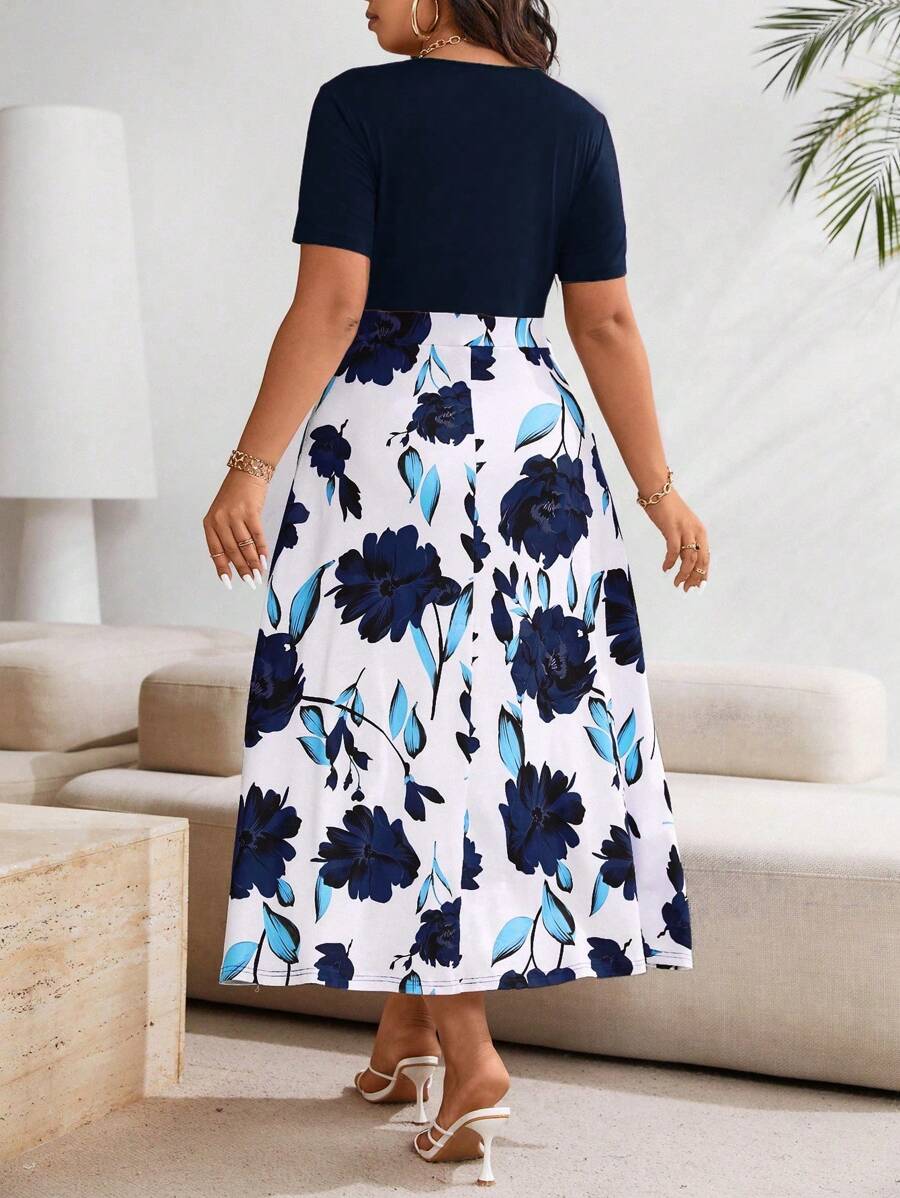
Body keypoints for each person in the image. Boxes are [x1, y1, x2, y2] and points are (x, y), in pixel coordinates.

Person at [205, 0, 704, 1184]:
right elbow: (605, 321)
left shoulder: (358, 106)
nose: (364, 5)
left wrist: (249, 467)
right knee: (488, 730)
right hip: (533, 448)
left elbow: (333, 303)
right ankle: (408, 1029)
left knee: (393, 727)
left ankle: (473, 1057)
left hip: (394, 439)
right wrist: (659, 489)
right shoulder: (573, 124)